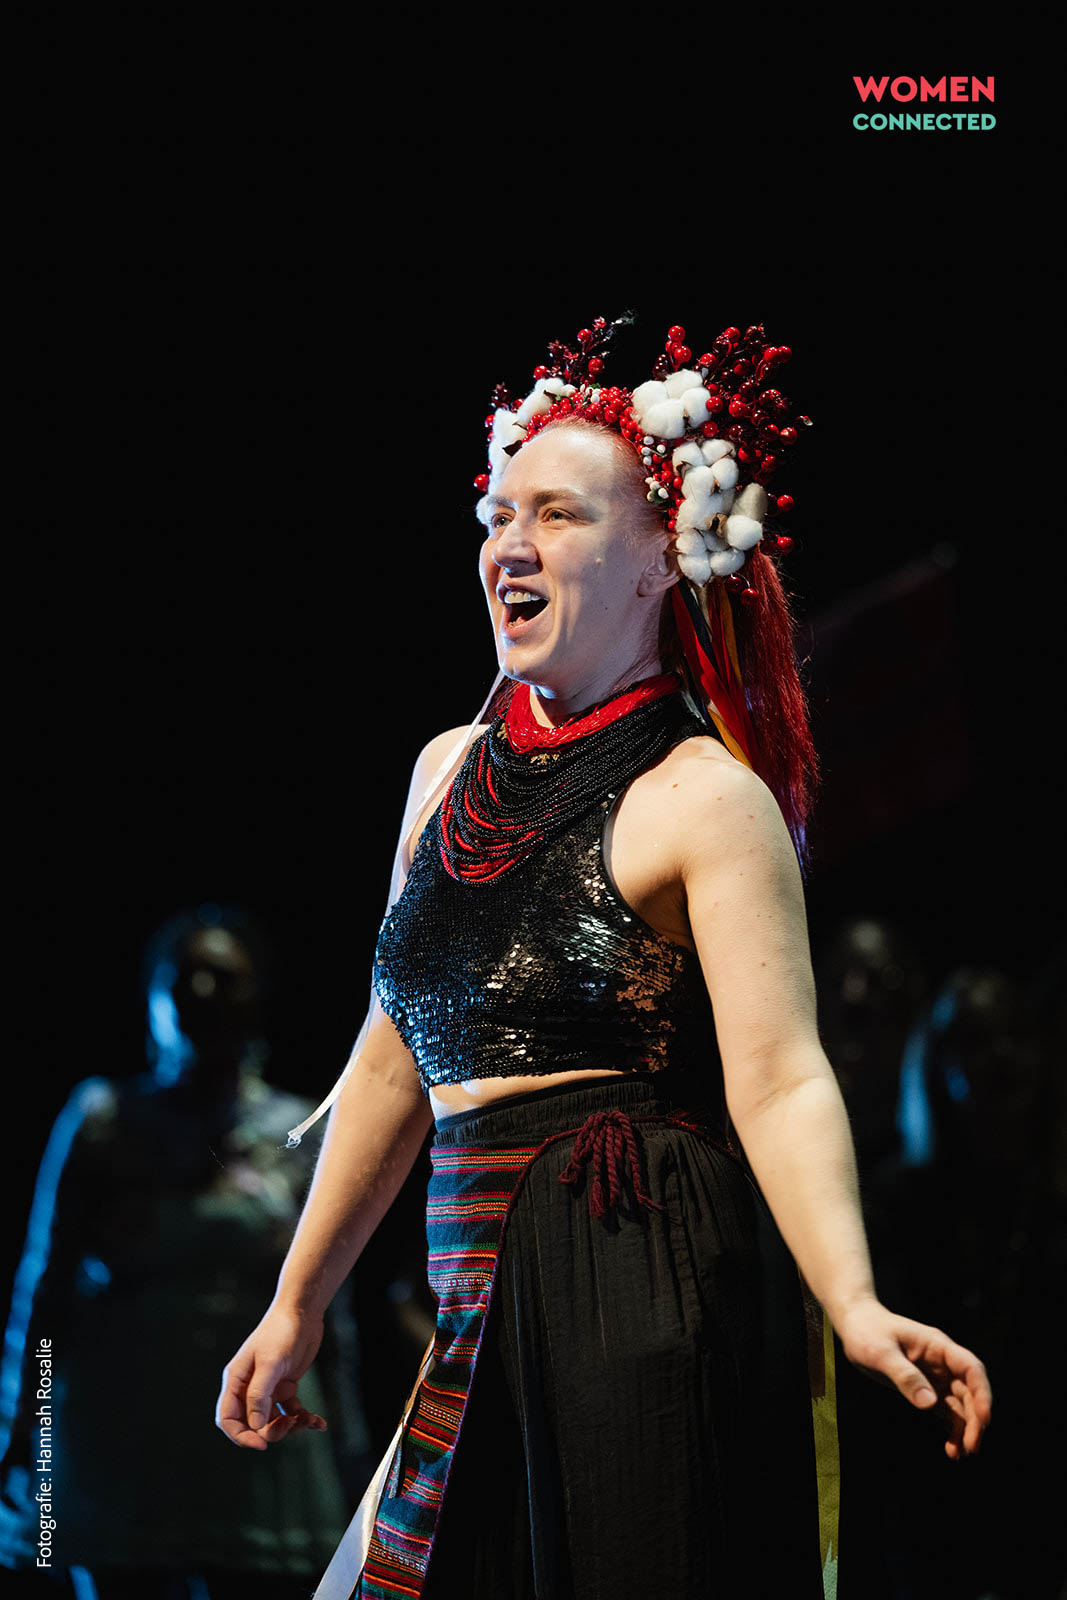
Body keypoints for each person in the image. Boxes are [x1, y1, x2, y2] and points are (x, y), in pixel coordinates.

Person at [215, 317, 992, 1599]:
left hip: (629, 1263)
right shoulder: (442, 775)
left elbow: (779, 1077)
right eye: (498, 514)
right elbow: (392, 1057)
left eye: (558, 515)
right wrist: (297, 1302)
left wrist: (851, 1300)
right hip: (472, 1278)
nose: (508, 544)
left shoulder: (704, 797)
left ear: (657, 560)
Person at [0, 904, 368, 1597]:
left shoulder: (300, 1132)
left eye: (222, 979)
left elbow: (332, 1313)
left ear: (257, 994)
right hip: (122, 1421)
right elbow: (44, 1294)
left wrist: (349, 1445)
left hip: (254, 1421)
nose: (201, 996)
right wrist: (24, 1430)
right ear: (152, 998)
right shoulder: (102, 1119)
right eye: (184, 979)